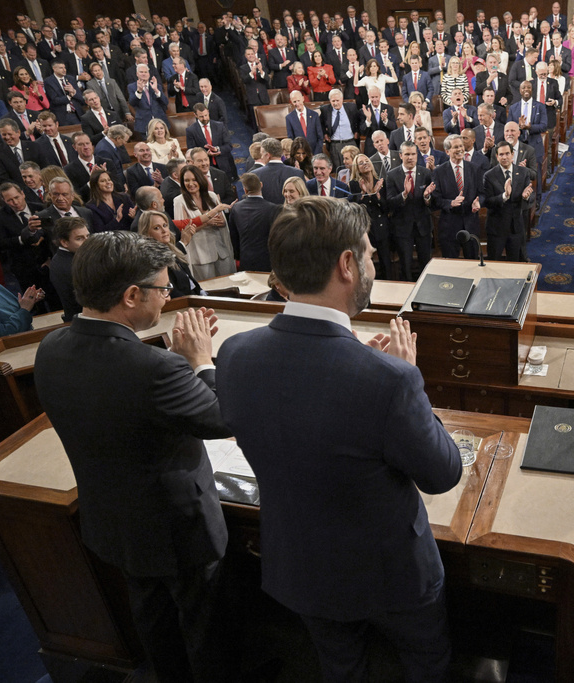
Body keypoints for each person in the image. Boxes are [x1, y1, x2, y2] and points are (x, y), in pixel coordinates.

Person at [215, 196, 460, 682]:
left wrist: (376, 370)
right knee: (426, 663)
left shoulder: (235, 354)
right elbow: (442, 473)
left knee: (340, 668)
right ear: (347, 265)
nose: (372, 261)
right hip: (391, 575)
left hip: (300, 565)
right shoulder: (390, 381)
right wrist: (406, 377)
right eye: (368, 253)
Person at [33, 231, 234, 683]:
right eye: (163, 289)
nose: (166, 299)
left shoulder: (51, 347)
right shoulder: (155, 368)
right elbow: (221, 418)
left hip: (113, 520)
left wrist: (175, 365)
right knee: (204, 625)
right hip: (177, 527)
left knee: (154, 618)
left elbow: (120, 404)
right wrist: (201, 362)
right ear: (130, 295)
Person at [174, 163, 233, 280]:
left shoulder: (212, 196)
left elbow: (222, 222)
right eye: (186, 180)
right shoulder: (179, 201)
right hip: (200, 256)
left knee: (229, 288)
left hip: (220, 251)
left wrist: (221, 222)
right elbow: (184, 229)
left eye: (194, 180)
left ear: (200, 179)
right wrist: (207, 223)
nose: (190, 184)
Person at [386, 140, 435, 280]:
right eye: (407, 154)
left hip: (423, 226)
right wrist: (404, 195)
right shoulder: (392, 175)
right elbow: (389, 202)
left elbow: (432, 202)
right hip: (402, 227)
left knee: (426, 264)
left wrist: (427, 197)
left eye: (413, 154)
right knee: (405, 264)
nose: (410, 157)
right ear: (400, 155)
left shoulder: (425, 173)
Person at [483, 140, 536, 262]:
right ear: (496, 156)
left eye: (507, 153)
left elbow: (531, 196)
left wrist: (526, 196)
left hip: (515, 227)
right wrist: (504, 196)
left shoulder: (523, 172)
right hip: (496, 228)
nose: (504, 157)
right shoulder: (489, 175)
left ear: (512, 154)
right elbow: (487, 201)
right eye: (501, 154)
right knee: (494, 262)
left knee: (515, 263)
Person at [432, 134, 482, 258]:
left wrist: (479, 202)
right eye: (456, 147)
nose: (460, 149)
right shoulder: (439, 172)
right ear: (447, 151)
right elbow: (436, 199)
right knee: (451, 266)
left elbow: (482, 193)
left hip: (471, 225)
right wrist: (450, 203)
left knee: (473, 264)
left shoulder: (474, 169)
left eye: (461, 146)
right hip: (449, 227)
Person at [137, 210, 205, 297]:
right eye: (157, 228)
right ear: (146, 233)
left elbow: (189, 280)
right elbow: (172, 293)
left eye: (165, 225)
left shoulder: (171, 249)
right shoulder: (153, 260)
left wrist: (201, 293)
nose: (164, 230)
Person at [227, 173, 281, 273]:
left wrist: (238, 256)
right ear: (261, 185)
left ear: (245, 190)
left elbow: (233, 237)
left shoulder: (236, 208)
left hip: (246, 259)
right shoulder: (274, 209)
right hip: (269, 261)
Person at [349, 153, 391, 279]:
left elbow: (386, 208)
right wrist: (363, 194)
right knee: (366, 262)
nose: (365, 164)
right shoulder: (354, 184)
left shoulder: (381, 182)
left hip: (382, 226)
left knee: (386, 261)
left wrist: (376, 196)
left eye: (366, 161)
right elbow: (354, 208)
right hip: (365, 229)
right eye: (361, 163)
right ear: (357, 168)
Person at [47, 216, 88, 320]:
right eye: (79, 238)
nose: (87, 242)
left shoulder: (62, 258)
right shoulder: (72, 266)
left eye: (87, 236)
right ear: (64, 242)